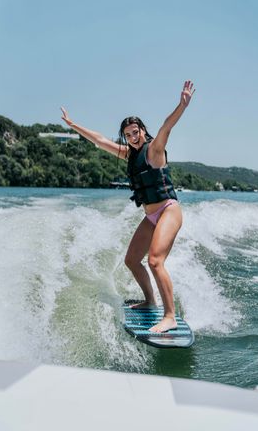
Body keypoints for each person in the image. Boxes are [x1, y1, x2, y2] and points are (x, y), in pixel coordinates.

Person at [61, 80, 195, 333]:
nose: (134, 137)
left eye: (137, 132)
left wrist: (182, 105)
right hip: (152, 215)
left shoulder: (154, 149)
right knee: (132, 260)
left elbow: (167, 126)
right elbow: (99, 140)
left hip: (168, 209)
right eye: (129, 135)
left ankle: (170, 316)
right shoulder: (129, 154)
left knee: (155, 261)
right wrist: (73, 124)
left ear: (143, 130)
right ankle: (150, 301)